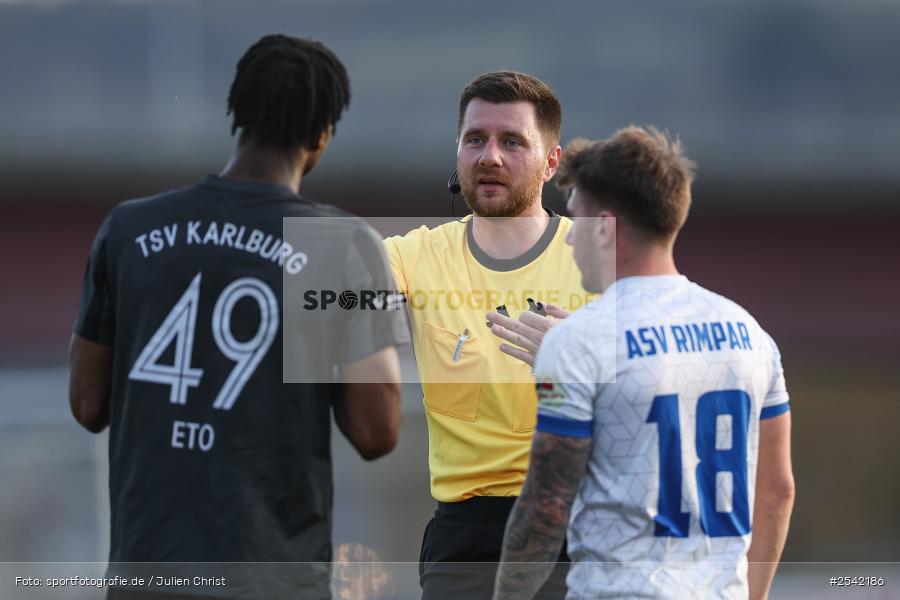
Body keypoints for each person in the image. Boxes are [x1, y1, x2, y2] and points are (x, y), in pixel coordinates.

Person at [68, 34, 408, 600]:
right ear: (321, 135)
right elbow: (377, 431)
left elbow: (87, 404)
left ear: (237, 113)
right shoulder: (341, 246)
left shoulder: (128, 228)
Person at [490, 127, 795, 600]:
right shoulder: (751, 334)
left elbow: (546, 508)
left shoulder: (577, 340)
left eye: (576, 219)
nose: (569, 241)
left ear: (604, 227)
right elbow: (777, 491)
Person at [384, 71, 590, 599]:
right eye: (475, 139)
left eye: (512, 142)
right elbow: (320, 288)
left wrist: (585, 361)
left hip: (577, 527)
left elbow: (658, 395)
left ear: (551, 162)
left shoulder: (599, 259)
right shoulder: (414, 255)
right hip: (465, 538)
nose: (489, 156)